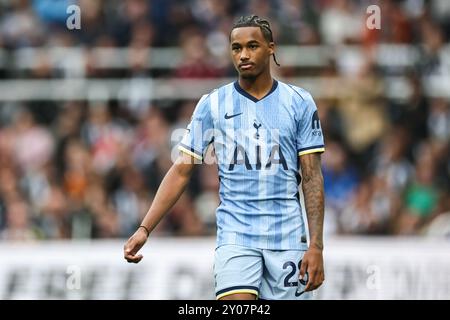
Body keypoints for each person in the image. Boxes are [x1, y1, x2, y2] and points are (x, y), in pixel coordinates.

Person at [124, 15, 325, 300]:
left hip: (288, 238)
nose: (243, 55)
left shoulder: (299, 102)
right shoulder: (213, 104)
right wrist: (145, 228)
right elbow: (182, 170)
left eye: (252, 46)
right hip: (236, 237)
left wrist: (316, 245)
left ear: (271, 48)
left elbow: (312, 176)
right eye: (236, 48)